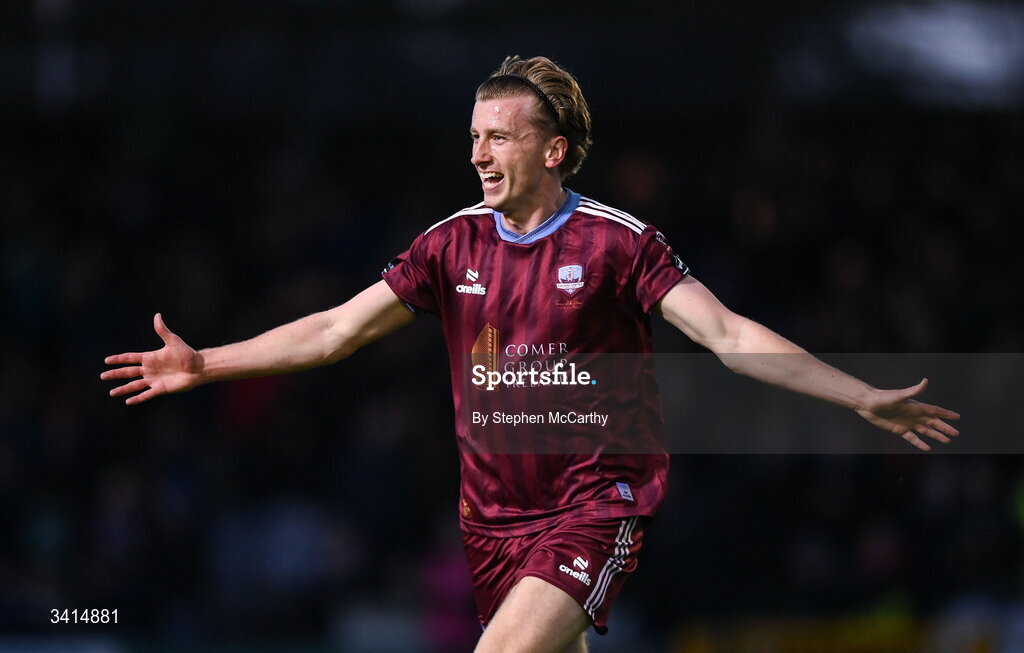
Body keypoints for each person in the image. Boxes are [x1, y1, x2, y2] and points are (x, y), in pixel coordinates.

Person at [102, 55, 960, 653]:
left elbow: (730, 337)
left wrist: (860, 396)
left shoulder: (620, 244)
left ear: (551, 150)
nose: (478, 154)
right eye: (473, 137)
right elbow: (332, 330)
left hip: (595, 502)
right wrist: (206, 362)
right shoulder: (448, 246)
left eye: (498, 138)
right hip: (491, 524)